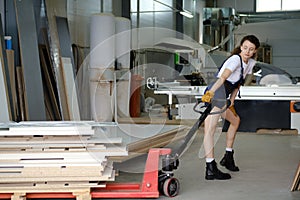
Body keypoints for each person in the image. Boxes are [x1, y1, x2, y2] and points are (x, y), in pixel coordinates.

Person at [201, 35, 260, 180]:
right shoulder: (235, 60)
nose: (247, 51)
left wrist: (232, 100)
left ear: (254, 51)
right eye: (245, 48)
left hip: (224, 96)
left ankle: (228, 156)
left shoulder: (250, 63)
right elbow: (222, 78)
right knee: (210, 130)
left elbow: (238, 82)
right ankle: (210, 168)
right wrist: (211, 93)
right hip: (216, 92)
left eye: (251, 49)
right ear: (241, 47)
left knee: (235, 121)